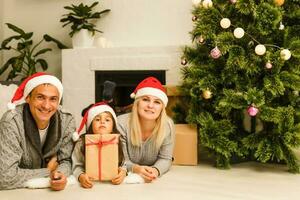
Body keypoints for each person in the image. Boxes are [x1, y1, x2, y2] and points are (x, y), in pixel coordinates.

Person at [0, 72, 75, 190]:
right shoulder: (11, 122)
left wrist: (59, 174)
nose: (46, 105)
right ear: (28, 98)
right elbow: (4, 177)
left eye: (53, 99)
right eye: (40, 97)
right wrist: (48, 171)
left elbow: (66, 160)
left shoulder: (66, 120)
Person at [117, 76, 175, 183]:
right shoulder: (121, 124)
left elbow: (166, 158)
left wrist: (156, 170)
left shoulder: (167, 125)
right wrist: (136, 169)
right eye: (145, 99)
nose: (150, 105)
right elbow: (121, 161)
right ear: (137, 103)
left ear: (162, 107)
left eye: (157, 102)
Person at [72, 102, 127, 188]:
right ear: (90, 124)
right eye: (97, 119)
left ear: (113, 126)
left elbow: (124, 163)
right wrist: (81, 176)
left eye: (107, 120)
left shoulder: (118, 142)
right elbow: (76, 165)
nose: (102, 122)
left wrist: (123, 172)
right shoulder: (81, 143)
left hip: (112, 186)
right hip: (91, 185)